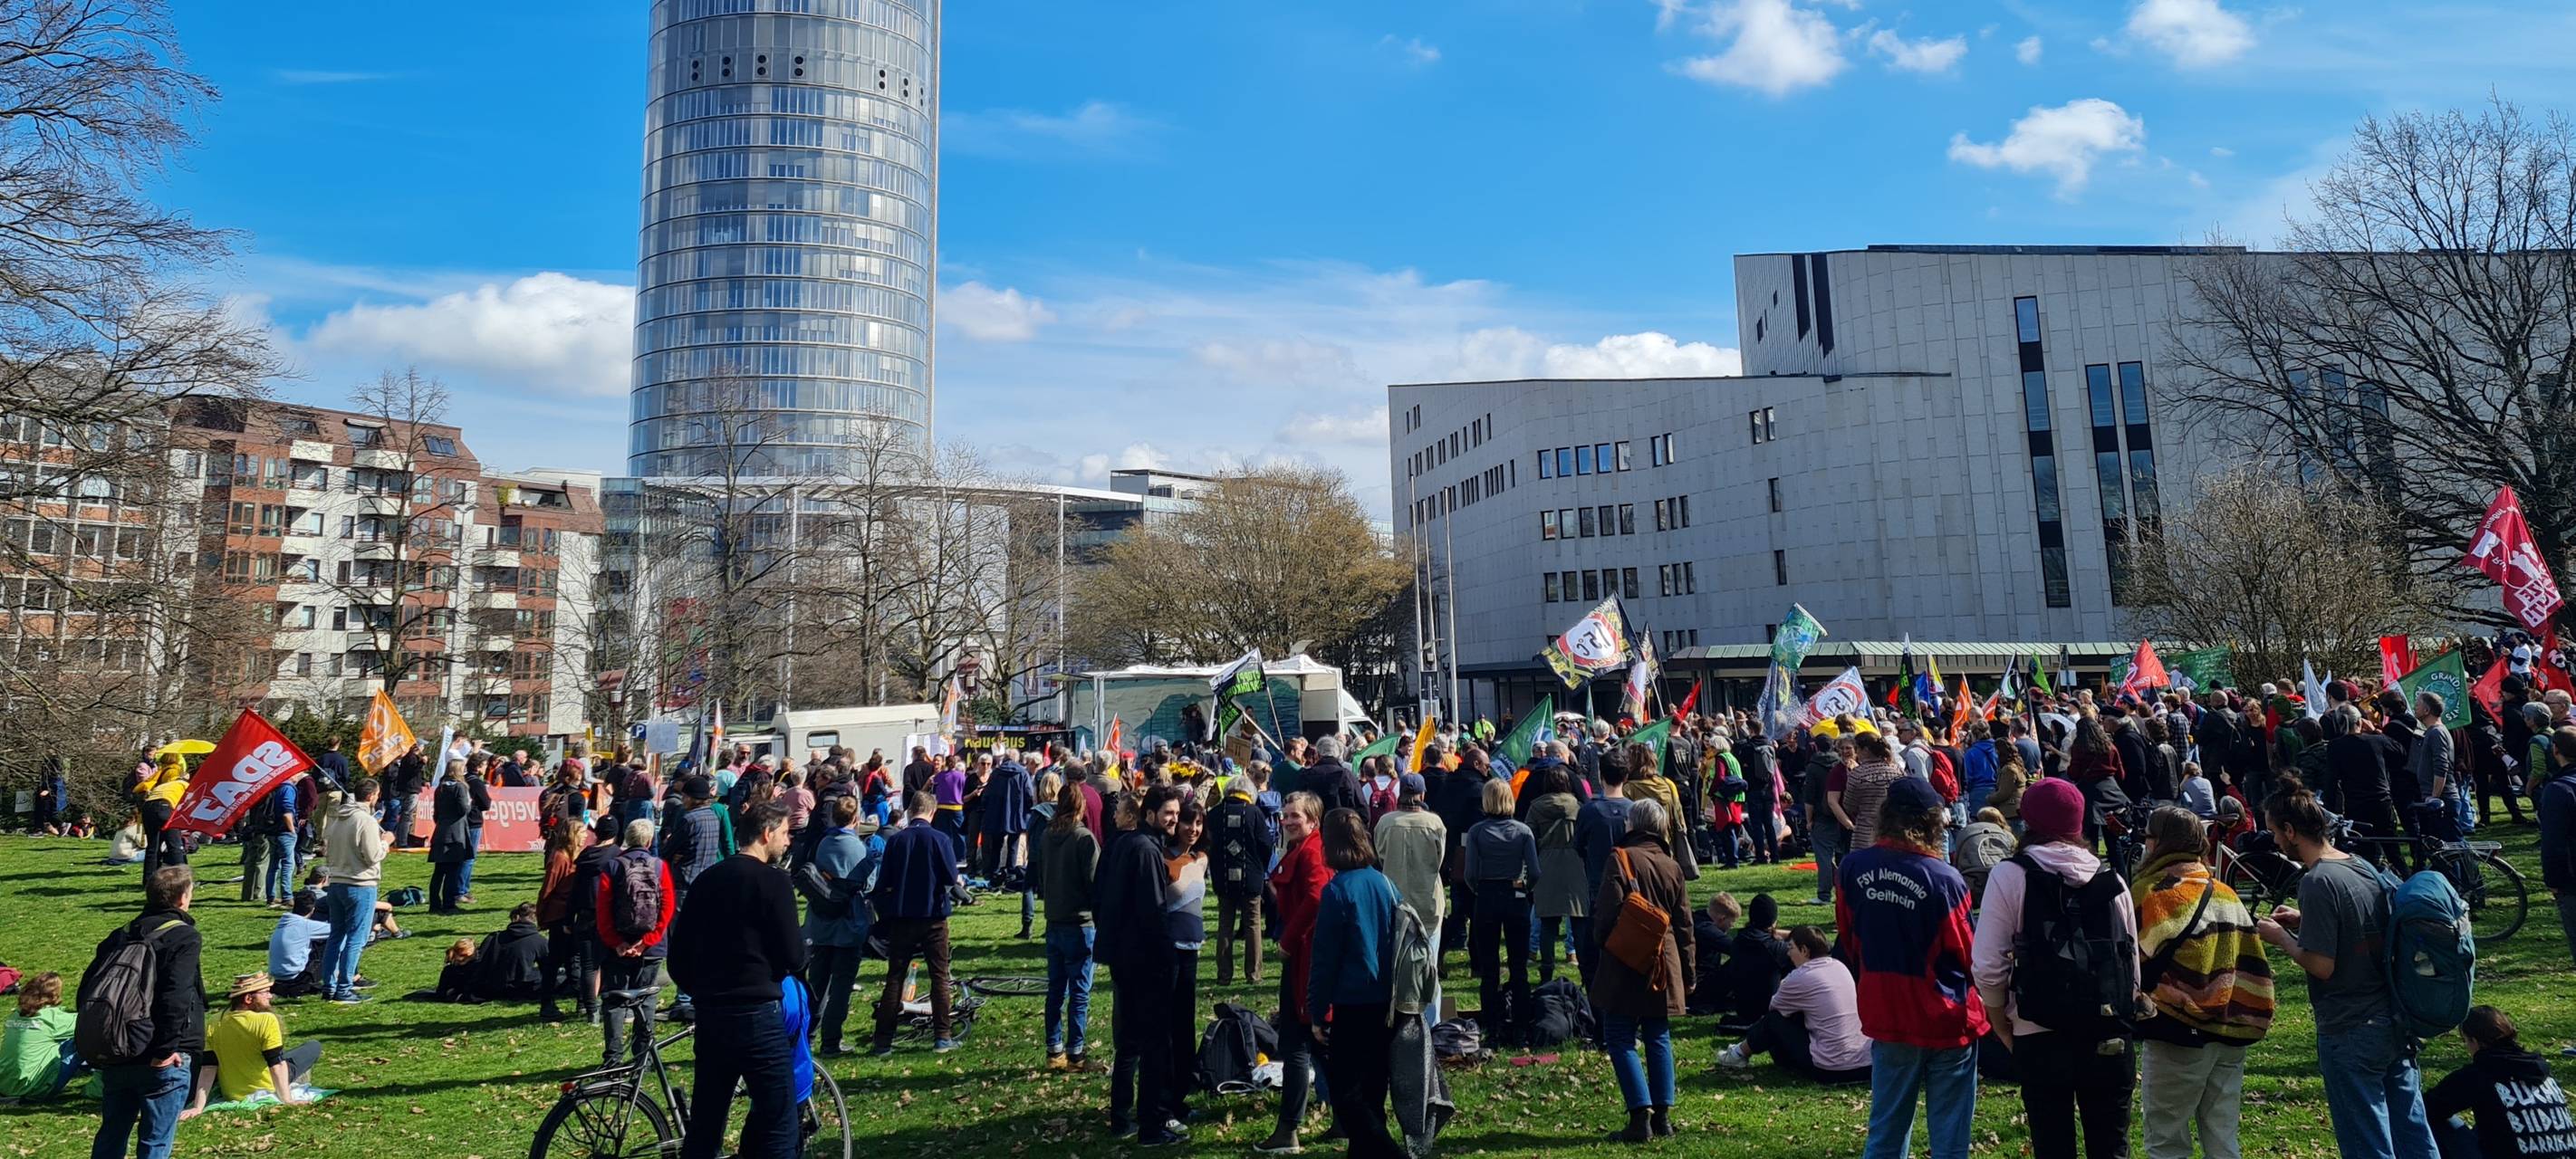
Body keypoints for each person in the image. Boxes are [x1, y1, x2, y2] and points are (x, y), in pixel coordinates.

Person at [2254, 781, 2441, 1159]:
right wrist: (2303, 920)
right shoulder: (2360, 866)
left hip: (2349, 1025)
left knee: (2367, 1142)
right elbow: (2365, 926)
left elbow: (2322, 965)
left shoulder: (2317, 881)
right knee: (2412, 1132)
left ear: (2290, 830)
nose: (2274, 841)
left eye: (2274, 831)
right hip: (2393, 1017)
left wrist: (2281, 939)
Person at [1972, 778, 2140, 1159]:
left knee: (2052, 1145)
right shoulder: (2112, 880)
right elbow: (2131, 965)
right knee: (2112, 1146)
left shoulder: (2011, 875)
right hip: (2107, 1028)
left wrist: (1999, 1020)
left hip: (2039, 1029)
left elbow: (1987, 963)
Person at [1840, 777, 1985, 1159]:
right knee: (1950, 1139)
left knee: (1886, 1132)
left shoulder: (1852, 867)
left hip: (1889, 1010)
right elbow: (1969, 953)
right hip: (1945, 1013)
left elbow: (1849, 935)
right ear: (1932, 822)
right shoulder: (1943, 878)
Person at [2132, 806, 2275, 1159]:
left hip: (2177, 1030)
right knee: (2223, 1137)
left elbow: (2132, 961)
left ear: (2160, 843)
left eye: (2149, 837)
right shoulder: (2226, 893)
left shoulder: (2154, 893)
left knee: (2166, 1139)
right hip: (2231, 1029)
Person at [666, 802, 805, 1159]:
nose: (788, 842)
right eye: (785, 834)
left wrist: (703, 991)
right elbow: (792, 955)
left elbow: (678, 958)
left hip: (712, 1015)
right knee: (778, 1118)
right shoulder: (773, 881)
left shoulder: (705, 881)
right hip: (758, 1012)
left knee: (706, 1123)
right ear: (766, 833)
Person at [1586, 797, 1695, 1143]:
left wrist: (1603, 942)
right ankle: (1663, 1116)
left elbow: (1606, 912)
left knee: (1619, 1035)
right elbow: (1685, 925)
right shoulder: (1672, 865)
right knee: (1658, 1035)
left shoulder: (1621, 859)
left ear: (1632, 825)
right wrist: (1689, 972)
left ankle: (1639, 1116)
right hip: (1665, 961)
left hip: (1627, 959)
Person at [86, 865, 204, 1159]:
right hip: (161, 1056)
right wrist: (166, 1049)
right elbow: (175, 996)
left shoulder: (119, 936)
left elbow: (89, 992)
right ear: (181, 899)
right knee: (154, 1142)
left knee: (111, 1136)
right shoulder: (184, 937)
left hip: (118, 1049)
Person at [1308, 807, 1402, 1158]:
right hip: (1386, 998)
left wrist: (1317, 1011)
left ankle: (1388, 1152)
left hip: (1352, 998)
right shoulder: (1385, 883)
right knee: (1374, 1087)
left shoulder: (1337, 892)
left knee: (1347, 1093)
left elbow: (1325, 957)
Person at [1097, 784, 1187, 1145]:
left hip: (1121, 954)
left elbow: (1100, 895)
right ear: (1148, 814)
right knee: (1153, 1043)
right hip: (1145, 959)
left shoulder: (1120, 845)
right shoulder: (1146, 850)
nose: (1173, 820)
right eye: (1168, 813)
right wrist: (1167, 957)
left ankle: (1121, 1116)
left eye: (1176, 814)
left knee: (1129, 1040)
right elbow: (1153, 911)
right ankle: (1151, 1122)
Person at [1257, 792, 1332, 1155]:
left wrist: (1288, 940)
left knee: (1299, 1043)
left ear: (1313, 821)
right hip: (1305, 956)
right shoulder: (1303, 848)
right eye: (1285, 815)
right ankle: (1346, 1119)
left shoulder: (1312, 851)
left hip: (1306, 957)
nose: (1287, 821)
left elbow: (1317, 897)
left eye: (1295, 817)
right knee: (1314, 1040)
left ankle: (1289, 1129)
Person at [864, 791, 960, 1056]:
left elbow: (884, 880)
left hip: (902, 915)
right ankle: (942, 1035)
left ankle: (883, 1040)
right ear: (933, 811)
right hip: (933, 915)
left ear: (910, 811)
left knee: (895, 975)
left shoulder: (897, 840)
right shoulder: (940, 839)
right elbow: (951, 876)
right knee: (939, 976)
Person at [1715, 924, 1871, 1084]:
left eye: (1791, 948)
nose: (1788, 954)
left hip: (1832, 1069)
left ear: (1804, 951)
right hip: (1865, 1064)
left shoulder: (1801, 977)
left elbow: (1774, 1009)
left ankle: (1737, 1054)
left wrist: (1785, 985)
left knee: (1774, 1020)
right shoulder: (1840, 967)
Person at [2426, 1006, 2576, 1159]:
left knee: (2438, 1120)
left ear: (2474, 1041)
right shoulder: (2542, 1073)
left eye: (2466, 1041)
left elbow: (2427, 1107)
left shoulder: (2478, 1074)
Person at [1465, 777, 1542, 1044]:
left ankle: (1493, 1026)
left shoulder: (1476, 832)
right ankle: (1521, 1026)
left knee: (1489, 967)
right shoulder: (1523, 832)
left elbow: (1470, 873)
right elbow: (1534, 871)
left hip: (1486, 895)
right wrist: (1523, 888)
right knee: (1518, 966)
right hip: (1516, 895)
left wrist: (1480, 889)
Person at [803, 796, 879, 1057]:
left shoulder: (822, 844)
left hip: (820, 923)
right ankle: (831, 1042)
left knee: (817, 984)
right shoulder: (859, 849)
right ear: (856, 818)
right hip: (849, 924)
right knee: (841, 986)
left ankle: (808, 1037)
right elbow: (869, 885)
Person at [595, 819, 676, 1064]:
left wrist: (616, 942)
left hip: (617, 945)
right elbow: (667, 907)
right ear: (650, 841)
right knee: (647, 999)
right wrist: (647, 941)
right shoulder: (659, 867)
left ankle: (613, 1056)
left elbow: (603, 909)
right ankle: (643, 1056)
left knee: (614, 1000)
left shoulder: (613, 866)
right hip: (650, 946)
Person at [183, 972, 314, 1115]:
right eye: (265, 993)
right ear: (248, 998)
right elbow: (276, 1064)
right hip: (266, 1087)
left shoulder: (214, 1022)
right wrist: (287, 1100)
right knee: (313, 1047)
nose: (270, 996)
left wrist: (198, 1107)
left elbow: (208, 1067)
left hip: (232, 1094)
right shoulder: (266, 1020)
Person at [1038, 779, 1101, 1069]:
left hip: (1054, 920)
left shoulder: (1047, 835)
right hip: (1080, 923)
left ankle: (1054, 1049)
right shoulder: (1084, 839)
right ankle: (1075, 1051)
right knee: (1079, 991)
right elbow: (1094, 883)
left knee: (1056, 989)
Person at [317, 779, 387, 1005]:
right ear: (371, 796)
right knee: (356, 939)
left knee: (336, 936)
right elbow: (373, 855)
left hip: (336, 882)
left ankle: (329, 985)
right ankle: (344, 987)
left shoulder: (337, 819)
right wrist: (385, 842)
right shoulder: (364, 820)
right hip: (360, 884)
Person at [1208, 766, 1274, 986]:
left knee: (1225, 924)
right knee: (1253, 924)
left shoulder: (1215, 813)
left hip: (1223, 876)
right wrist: (1261, 867)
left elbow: (1209, 843)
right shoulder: (1254, 813)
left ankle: (1224, 975)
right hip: (1251, 875)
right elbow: (1266, 844)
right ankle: (1253, 974)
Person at [1527, 763, 1589, 983]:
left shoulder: (1536, 807)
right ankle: (1584, 967)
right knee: (1579, 921)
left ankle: (1546, 971)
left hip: (1546, 865)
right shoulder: (1579, 807)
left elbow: (1530, 839)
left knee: (1548, 923)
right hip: (1575, 865)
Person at [534, 819, 596, 1023]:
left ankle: (581, 1000)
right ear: (572, 835)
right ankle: (547, 1003)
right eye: (582, 832)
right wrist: (543, 915)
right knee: (556, 960)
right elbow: (548, 889)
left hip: (574, 914)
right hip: (559, 916)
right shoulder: (560, 857)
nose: (586, 835)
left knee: (575, 958)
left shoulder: (581, 855)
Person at [1, 972, 81, 1100]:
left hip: (5, 1084)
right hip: (34, 1088)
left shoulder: (16, 1014)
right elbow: (88, 1021)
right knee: (82, 1040)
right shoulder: (52, 1018)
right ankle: (99, 1082)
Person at [1299, 736, 1365, 818]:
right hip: (1342, 825)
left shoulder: (1306, 775)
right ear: (1337, 754)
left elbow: (1298, 805)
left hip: (1313, 826)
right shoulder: (1346, 775)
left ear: (1317, 754)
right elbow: (1363, 810)